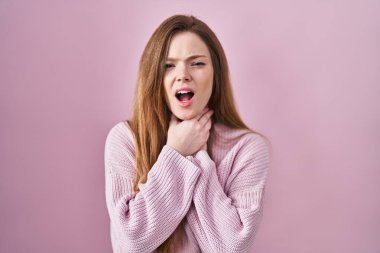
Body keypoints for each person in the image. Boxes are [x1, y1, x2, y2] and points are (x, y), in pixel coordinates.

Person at [104, 14, 271, 253]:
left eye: (197, 63)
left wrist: (197, 154)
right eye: (169, 65)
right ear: (155, 76)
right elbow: (133, 241)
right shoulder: (126, 139)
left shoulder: (247, 148)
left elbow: (230, 247)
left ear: (216, 74)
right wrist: (175, 152)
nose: (183, 74)